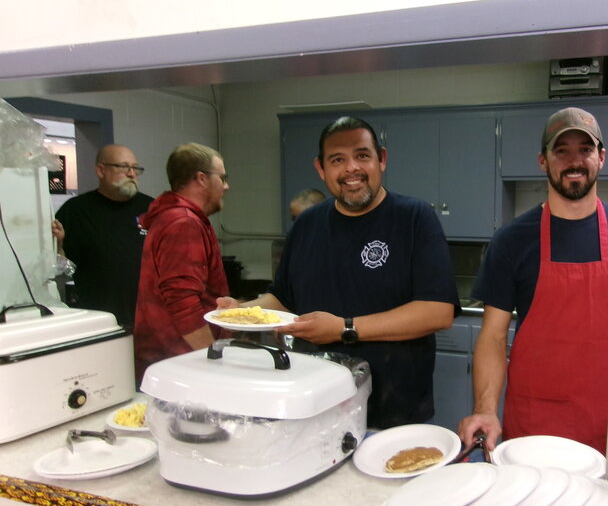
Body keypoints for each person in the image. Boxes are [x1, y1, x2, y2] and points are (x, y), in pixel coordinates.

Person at [217, 116, 460, 429]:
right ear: (321, 169)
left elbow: (438, 312)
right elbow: (283, 297)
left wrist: (346, 328)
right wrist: (240, 312)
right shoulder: (306, 225)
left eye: (362, 155)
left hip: (394, 412)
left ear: (381, 160)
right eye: (337, 160)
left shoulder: (414, 218)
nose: (351, 169)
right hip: (315, 405)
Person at [458, 107, 608, 455]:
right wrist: (484, 409)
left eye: (585, 150)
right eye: (562, 151)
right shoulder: (511, 241)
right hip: (536, 427)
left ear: (601, 158)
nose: (574, 160)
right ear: (543, 161)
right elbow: (494, 337)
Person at [133, 143, 231, 383]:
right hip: (180, 363)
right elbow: (183, 302)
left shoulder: (175, 217)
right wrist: (212, 362)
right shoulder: (183, 224)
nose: (226, 186)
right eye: (222, 177)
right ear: (201, 179)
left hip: (173, 358)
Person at [53, 144, 153, 327]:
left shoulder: (153, 208)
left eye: (135, 168)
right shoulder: (75, 211)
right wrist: (58, 245)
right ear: (101, 170)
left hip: (150, 321)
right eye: (124, 167)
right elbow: (58, 266)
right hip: (100, 321)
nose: (132, 174)